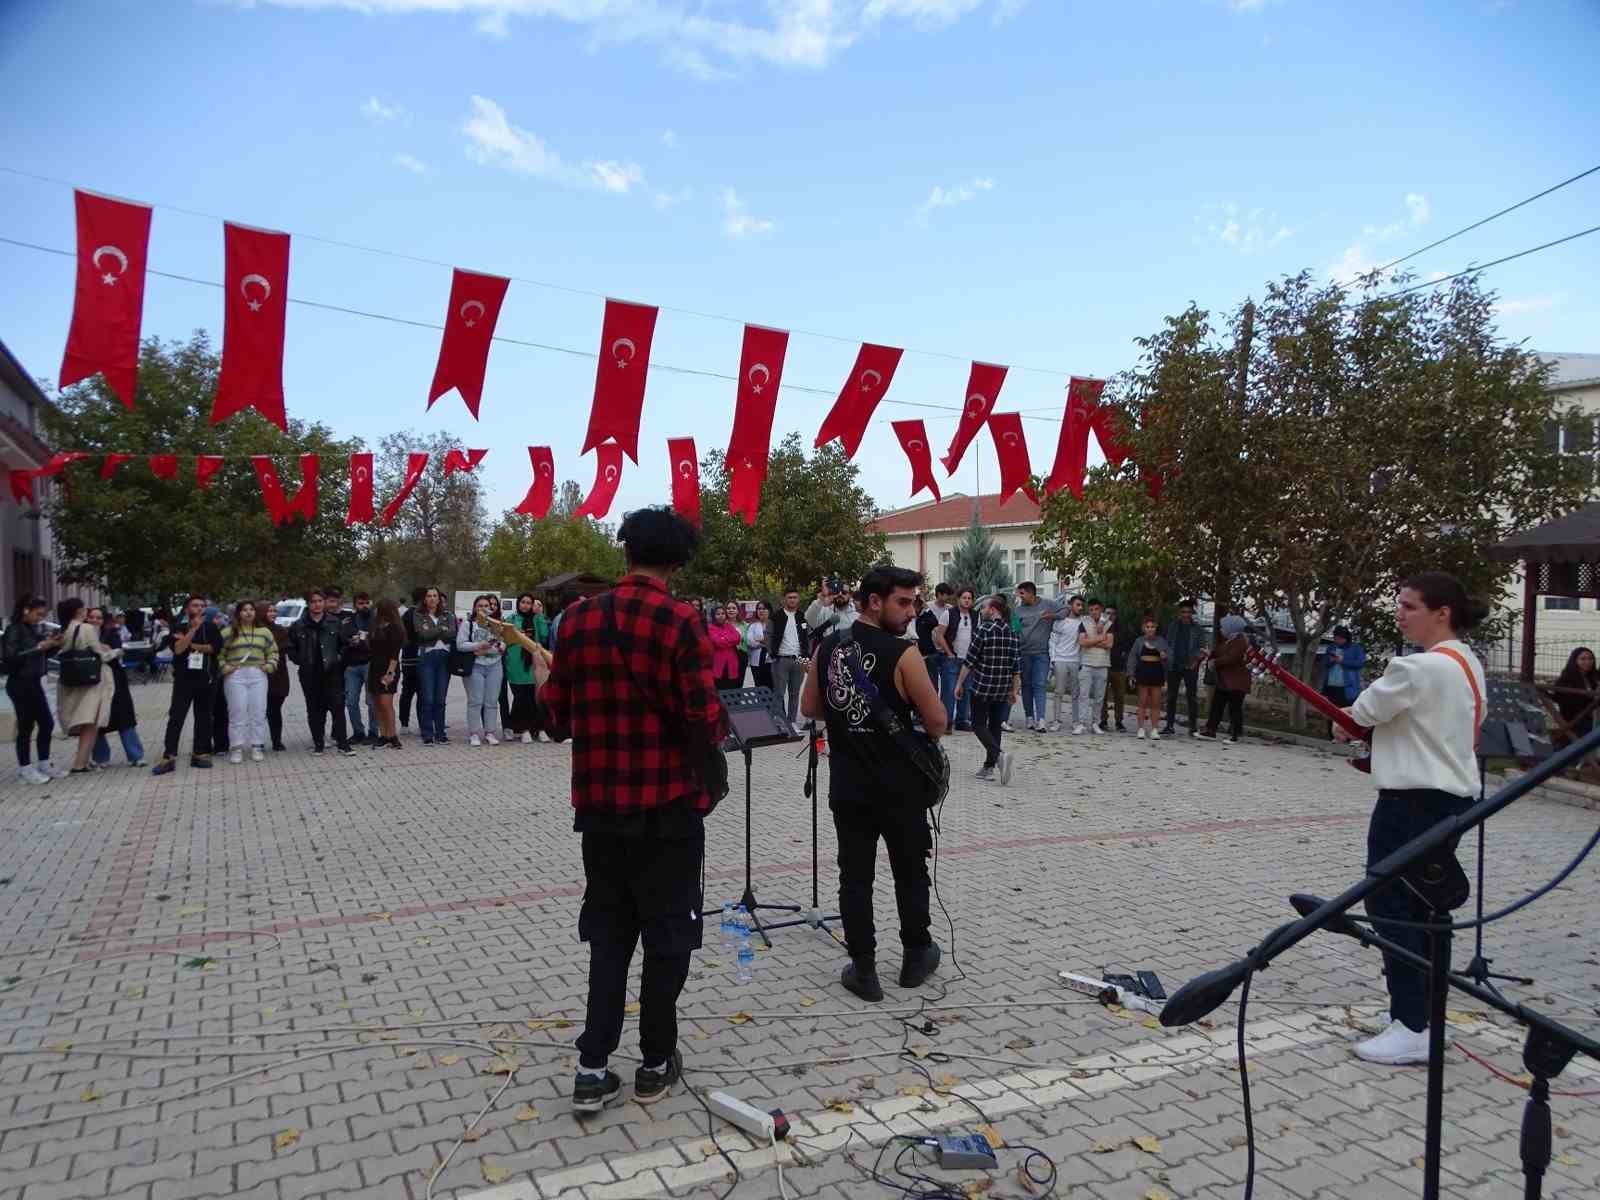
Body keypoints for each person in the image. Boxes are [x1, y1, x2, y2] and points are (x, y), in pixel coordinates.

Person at [542, 507, 727, 1114]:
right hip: (669, 805)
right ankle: (654, 1059)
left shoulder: (575, 620)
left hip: (599, 806)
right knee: (669, 933)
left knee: (609, 934)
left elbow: (556, 716)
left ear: (625, 552)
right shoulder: (680, 620)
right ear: (677, 561)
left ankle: (592, 1066)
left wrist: (551, 682)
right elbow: (702, 716)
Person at [1340, 572, 1488, 1066]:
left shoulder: (1417, 668)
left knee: (1390, 907)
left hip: (1410, 804)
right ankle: (1422, 1017)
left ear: (1441, 612)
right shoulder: (1466, 663)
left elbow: (1362, 711)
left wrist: (1352, 725)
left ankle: (1412, 1024)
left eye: (1409, 606)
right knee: (1426, 912)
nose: (1400, 613)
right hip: (1450, 801)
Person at [803, 566, 948, 1003]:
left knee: (854, 877)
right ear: (873, 602)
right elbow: (939, 722)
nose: (911, 611)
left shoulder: (827, 647)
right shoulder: (904, 653)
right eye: (903, 602)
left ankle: (863, 968)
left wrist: (853, 722)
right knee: (909, 870)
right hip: (900, 787)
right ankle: (915, 955)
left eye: (914, 602)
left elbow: (811, 707)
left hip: (849, 784)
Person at [153, 594, 222, 775]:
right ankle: (169, 756)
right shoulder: (179, 627)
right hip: (184, 680)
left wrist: (191, 644)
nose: (199, 609)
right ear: (187, 609)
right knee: (176, 716)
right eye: (195, 606)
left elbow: (214, 648)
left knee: (204, 717)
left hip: (206, 678)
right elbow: (178, 649)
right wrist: (192, 631)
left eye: (202, 606)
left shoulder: (211, 628)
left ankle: (200, 753)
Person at [955, 594, 1021, 785]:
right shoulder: (1012, 632)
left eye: (983, 607)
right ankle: (989, 767)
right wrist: (1014, 691)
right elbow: (1016, 666)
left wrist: (959, 683)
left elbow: (969, 661)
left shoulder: (983, 629)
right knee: (994, 726)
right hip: (1002, 688)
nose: (981, 610)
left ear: (993, 610)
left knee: (977, 724)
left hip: (983, 687)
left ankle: (999, 755)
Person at [286, 590, 356, 758]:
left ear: (324, 603)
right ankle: (319, 743)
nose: (317, 604)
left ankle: (342, 743)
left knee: (337, 707)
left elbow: (345, 644)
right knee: (315, 710)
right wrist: (300, 660)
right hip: (310, 673)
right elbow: (290, 647)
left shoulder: (334, 622)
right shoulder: (298, 625)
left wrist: (339, 657)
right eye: (313, 601)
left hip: (332, 672)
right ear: (308, 604)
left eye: (320, 601)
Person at [4, 595, 65, 783]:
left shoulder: (31, 629)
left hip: (33, 682)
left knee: (46, 722)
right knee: (26, 726)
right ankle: (25, 768)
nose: (40, 618)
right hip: (19, 683)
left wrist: (54, 645)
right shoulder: (13, 630)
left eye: (43, 615)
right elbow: (11, 658)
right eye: (38, 614)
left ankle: (44, 762)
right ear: (26, 610)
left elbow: (41, 655)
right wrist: (39, 648)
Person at [55, 597, 119, 773]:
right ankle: (80, 763)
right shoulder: (86, 628)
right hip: (91, 681)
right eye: (84, 609)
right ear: (78, 611)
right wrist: (116, 652)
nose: (86, 611)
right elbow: (100, 655)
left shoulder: (64, 628)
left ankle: (82, 761)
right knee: (90, 723)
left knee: (85, 721)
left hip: (71, 680)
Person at [219, 599, 278, 764]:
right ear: (238, 613)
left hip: (258, 674)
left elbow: (273, 651)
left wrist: (269, 666)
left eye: (251, 609)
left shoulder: (264, 631)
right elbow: (218, 654)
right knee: (237, 712)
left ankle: (256, 746)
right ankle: (236, 748)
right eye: (244, 610)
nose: (248, 612)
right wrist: (225, 667)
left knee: (258, 712)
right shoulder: (227, 632)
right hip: (235, 676)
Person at [91, 606, 146, 768]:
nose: (95, 621)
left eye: (99, 618)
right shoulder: (82, 635)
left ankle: (136, 755)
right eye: (92, 617)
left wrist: (108, 651)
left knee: (124, 717)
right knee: (98, 718)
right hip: (93, 681)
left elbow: (116, 653)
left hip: (115, 680)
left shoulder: (112, 633)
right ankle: (101, 758)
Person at [1013, 582, 1061, 733]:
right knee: (1026, 685)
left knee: (1039, 685)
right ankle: (1029, 718)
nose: (1019, 596)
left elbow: (1065, 609)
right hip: (1024, 653)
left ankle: (1041, 720)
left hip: (1041, 653)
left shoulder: (1047, 604)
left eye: (1022, 593)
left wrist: (1053, 616)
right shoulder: (1018, 610)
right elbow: (1015, 630)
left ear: (1031, 593)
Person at [458, 595, 505, 747]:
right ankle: (474, 733)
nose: (484, 608)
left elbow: (503, 645)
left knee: (491, 701)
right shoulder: (468, 624)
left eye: (486, 606)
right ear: (474, 608)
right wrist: (477, 645)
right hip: (475, 666)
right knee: (475, 701)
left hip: (495, 665)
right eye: (480, 606)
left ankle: (490, 732)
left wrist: (490, 648)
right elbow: (461, 644)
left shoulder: (497, 625)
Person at [503, 592, 550, 743]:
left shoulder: (536, 619)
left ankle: (538, 728)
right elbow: (506, 640)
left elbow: (544, 635)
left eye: (528, 603)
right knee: (520, 697)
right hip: (515, 663)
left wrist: (540, 616)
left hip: (533, 663)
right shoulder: (511, 619)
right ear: (518, 603)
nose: (525, 605)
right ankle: (523, 729)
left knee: (534, 698)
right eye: (523, 602)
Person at [1197, 615, 1251, 743]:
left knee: (1234, 709)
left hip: (1236, 681)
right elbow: (1220, 652)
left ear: (1231, 628)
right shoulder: (1230, 640)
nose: (1221, 629)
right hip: (1226, 681)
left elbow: (1232, 657)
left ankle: (1235, 735)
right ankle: (1210, 730)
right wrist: (1210, 654)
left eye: (1223, 627)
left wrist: (1215, 662)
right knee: (1217, 705)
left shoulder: (1240, 641)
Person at [1162, 599, 1210, 737]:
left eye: (1188, 612)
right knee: (1171, 696)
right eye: (1183, 612)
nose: (1186, 615)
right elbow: (1167, 643)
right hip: (1174, 665)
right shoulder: (1173, 626)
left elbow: (1202, 648)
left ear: (1192, 613)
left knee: (1191, 697)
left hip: (1190, 665)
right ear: (1179, 613)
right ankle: (1169, 725)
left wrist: (1196, 660)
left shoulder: (1198, 629)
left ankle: (1193, 727)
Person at [412, 587, 454, 745]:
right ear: (424, 599)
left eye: (434, 595)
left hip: (444, 658)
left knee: (440, 699)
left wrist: (434, 631)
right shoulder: (418, 615)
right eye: (429, 596)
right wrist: (441, 629)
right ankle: (427, 733)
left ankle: (440, 733)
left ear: (439, 598)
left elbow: (452, 633)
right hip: (426, 658)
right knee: (427, 698)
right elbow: (422, 635)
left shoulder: (448, 614)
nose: (432, 598)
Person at [767, 589, 812, 726]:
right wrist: (772, 654)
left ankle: (792, 723)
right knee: (779, 693)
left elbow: (808, 637)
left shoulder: (803, 616)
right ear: (784, 599)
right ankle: (777, 722)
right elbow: (768, 635)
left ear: (798, 600)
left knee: (795, 693)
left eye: (795, 597)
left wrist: (806, 657)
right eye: (789, 597)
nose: (792, 600)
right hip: (781, 658)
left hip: (799, 659)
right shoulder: (776, 616)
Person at [365, 598, 405, 749]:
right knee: (377, 703)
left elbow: (394, 654)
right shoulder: (375, 627)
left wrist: (390, 674)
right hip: (374, 667)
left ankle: (392, 735)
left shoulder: (396, 628)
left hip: (389, 668)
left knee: (386, 703)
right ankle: (384, 735)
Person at [340, 592, 377, 745]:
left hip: (370, 663)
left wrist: (366, 639)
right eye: (361, 603)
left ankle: (374, 733)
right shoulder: (348, 621)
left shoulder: (376, 621)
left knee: (371, 701)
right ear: (355, 605)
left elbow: (380, 639)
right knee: (351, 701)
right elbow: (342, 639)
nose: (364, 606)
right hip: (352, 666)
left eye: (366, 603)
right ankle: (358, 732)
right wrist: (351, 642)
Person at [1074, 599, 1114, 735]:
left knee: (1099, 697)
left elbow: (1109, 644)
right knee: (1084, 695)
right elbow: (1081, 642)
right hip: (1086, 663)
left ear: (1101, 609)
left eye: (1096, 609)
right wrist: (1100, 639)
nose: (1094, 612)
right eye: (1091, 610)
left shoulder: (1109, 624)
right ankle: (1081, 724)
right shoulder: (1084, 623)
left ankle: (1095, 723)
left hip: (1103, 664)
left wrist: (1091, 642)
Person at [1321, 626, 1368, 740]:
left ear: (1346, 638)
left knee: (1347, 713)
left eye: (1340, 638)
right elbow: (1324, 663)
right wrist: (1331, 660)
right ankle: (1332, 736)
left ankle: (1348, 737)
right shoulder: (1331, 648)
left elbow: (1359, 663)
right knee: (1331, 712)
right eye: (1335, 638)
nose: (1337, 641)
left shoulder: (1355, 648)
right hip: (1331, 685)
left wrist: (1342, 661)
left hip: (1348, 687)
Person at [1046, 595, 1084, 734]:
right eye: (1078, 605)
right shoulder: (1060, 622)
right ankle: (1056, 721)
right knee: (1058, 692)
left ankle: (1076, 722)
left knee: (1075, 693)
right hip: (1060, 660)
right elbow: (1053, 641)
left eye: (1081, 605)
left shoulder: (1082, 623)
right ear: (1070, 605)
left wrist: (1080, 661)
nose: (1080, 608)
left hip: (1075, 661)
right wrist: (1054, 659)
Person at [1128, 616, 1170, 740]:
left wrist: (1165, 656)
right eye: (1147, 627)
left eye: (1152, 627)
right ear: (1143, 628)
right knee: (1142, 702)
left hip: (1157, 672)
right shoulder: (1139, 641)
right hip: (1143, 672)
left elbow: (1169, 659)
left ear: (1156, 628)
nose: (1150, 629)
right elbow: (1132, 658)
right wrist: (1131, 674)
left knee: (1156, 703)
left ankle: (1154, 729)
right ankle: (1141, 728)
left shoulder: (1161, 641)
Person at [1552, 647, 1600, 742]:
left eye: (1590, 658)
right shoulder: (1567, 678)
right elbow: (1562, 699)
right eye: (1583, 659)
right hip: (1576, 720)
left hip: (1593, 718)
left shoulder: (1594, 676)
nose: (1588, 661)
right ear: (1574, 660)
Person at [262, 602, 291, 751]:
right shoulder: (255, 631)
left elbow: (286, 650)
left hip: (278, 675)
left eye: (274, 611)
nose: (272, 614)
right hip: (260, 675)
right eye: (269, 611)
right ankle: (258, 741)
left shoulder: (281, 631)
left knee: (274, 709)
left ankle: (276, 740)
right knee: (259, 711)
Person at [1102, 605, 1135, 733]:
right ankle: (1103, 720)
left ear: (1116, 615)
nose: (1110, 616)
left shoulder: (1124, 629)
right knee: (1102, 696)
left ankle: (1119, 721)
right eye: (1108, 613)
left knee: (1119, 696)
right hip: (1103, 665)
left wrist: (1124, 654)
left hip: (1119, 667)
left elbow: (1131, 643)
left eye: (1113, 613)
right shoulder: (1101, 628)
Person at [949, 588, 978, 730]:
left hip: (969, 659)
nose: (967, 600)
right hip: (953, 657)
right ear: (958, 599)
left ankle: (962, 720)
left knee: (966, 690)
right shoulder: (949, 613)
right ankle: (947, 720)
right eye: (964, 597)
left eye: (969, 598)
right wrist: (949, 652)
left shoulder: (975, 615)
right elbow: (939, 634)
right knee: (949, 690)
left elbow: (977, 636)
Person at [399, 586, 424, 732]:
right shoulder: (420, 615)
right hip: (419, 659)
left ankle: (404, 723)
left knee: (407, 692)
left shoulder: (406, 614)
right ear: (422, 599)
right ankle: (422, 723)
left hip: (407, 658)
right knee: (421, 692)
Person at [806, 577, 855, 642]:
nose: (840, 594)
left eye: (844, 592)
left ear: (850, 595)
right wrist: (822, 598)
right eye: (837, 591)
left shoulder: (857, 616)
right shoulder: (824, 610)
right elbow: (809, 620)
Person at [706, 603, 743, 691]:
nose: (721, 616)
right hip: (718, 665)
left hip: (731, 664)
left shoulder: (729, 626)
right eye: (718, 614)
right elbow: (718, 642)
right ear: (713, 616)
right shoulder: (710, 628)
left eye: (722, 614)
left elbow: (737, 638)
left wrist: (723, 638)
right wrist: (729, 640)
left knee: (732, 690)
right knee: (719, 691)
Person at [746, 601, 772, 690]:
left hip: (772, 662)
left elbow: (777, 641)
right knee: (759, 687)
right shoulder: (753, 625)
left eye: (764, 609)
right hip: (756, 662)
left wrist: (760, 640)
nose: (761, 611)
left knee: (772, 687)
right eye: (759, 609)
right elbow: (750, 642)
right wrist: (765, 642)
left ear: (769, 611)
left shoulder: (774, 624)